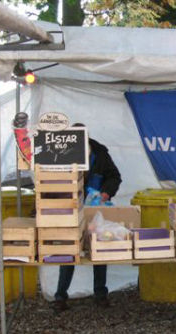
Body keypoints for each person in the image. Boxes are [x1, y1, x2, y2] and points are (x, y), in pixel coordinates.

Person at [54, 123, 122, 313]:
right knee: (69, 250)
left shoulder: (100, 153)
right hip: (70, 210)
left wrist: (106, 193)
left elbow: (115, 176)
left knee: (99, 249)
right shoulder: (60, 155)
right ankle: (60, 296)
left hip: (95, 210)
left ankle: (100, 294)